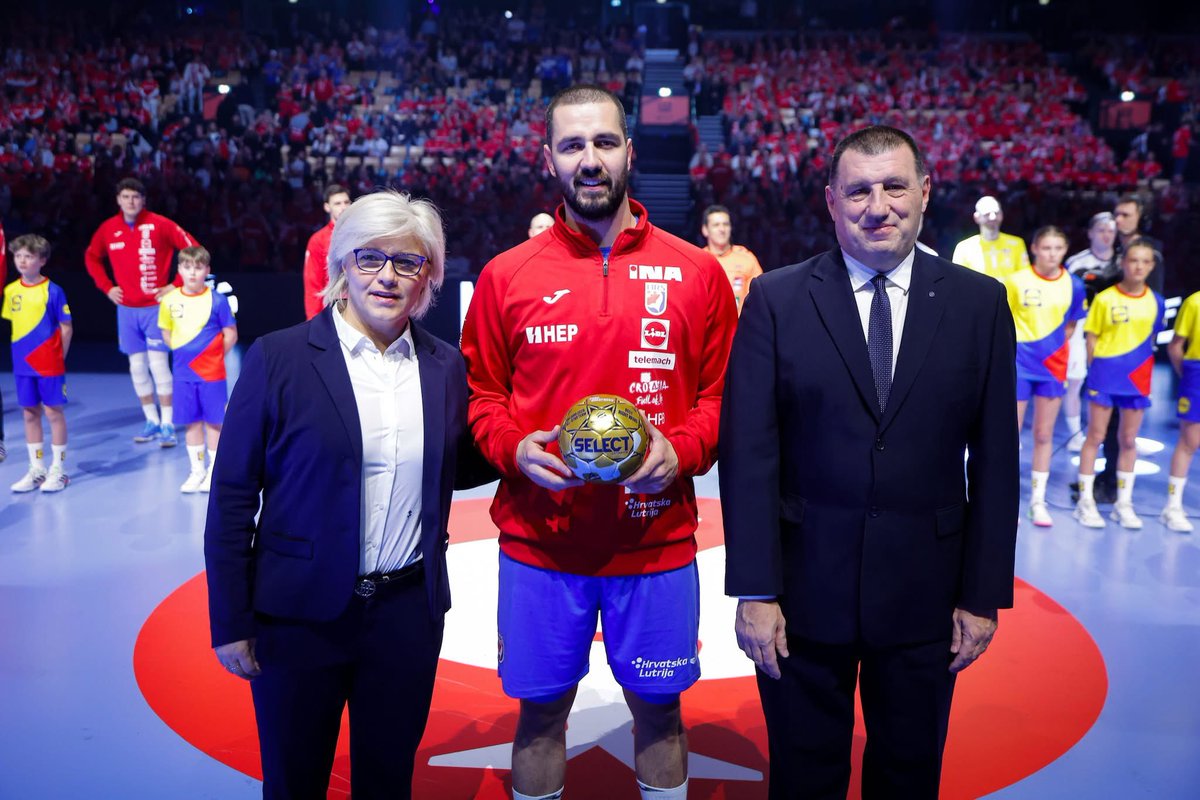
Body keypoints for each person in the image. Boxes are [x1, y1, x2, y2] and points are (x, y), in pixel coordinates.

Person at [721, 125, 1019, 799]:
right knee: (803, 777)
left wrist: (981, 594)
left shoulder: (979, 304)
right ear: (831, 201)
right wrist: (756, 590)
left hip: (927, 595)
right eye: (858, 190)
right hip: (802, 594)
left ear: (924, 193)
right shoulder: (777, 299)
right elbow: (749, 457)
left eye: (893, 186)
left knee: (910, 777)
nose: (876, 205)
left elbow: (997, 461)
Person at [460, 84, 737, 800]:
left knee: (661, 712)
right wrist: (514, 449)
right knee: (540, 716)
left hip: (656, 542)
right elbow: (481, 398)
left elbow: (719, 399)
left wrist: (683, 450)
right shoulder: (505, 276)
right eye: (574, 144)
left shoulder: (696, 273)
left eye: (605, 143)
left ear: (630, 152)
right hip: (540, 542)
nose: (591, 160)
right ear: (548, 158)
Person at [205, 191, 487, 798]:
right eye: (370, 258)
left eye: (408, 262)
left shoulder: (445, 366)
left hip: (406, 616)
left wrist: (526, 447)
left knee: (387, 781)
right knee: (294, 781)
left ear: (429, 277)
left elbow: (456, 465)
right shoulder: (278, 357)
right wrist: (230, 619)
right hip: (297, 617)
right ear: (342, 266)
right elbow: (231, 496)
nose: (387, 276)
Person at [85, 177, 200, 447]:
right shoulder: (108, 228)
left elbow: (193, 249)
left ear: (143, 200)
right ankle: (151, 421)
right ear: (118, 200)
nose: (131, 202)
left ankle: (168, 424)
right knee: (137, 367)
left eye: (135, 197)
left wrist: (175, 285)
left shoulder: (160, 224)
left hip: (156, 309)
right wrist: (106, 287)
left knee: (159, 366)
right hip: (126, 311)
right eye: (125, 197)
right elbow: (91, 257)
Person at [1073, 241, 1165, 529]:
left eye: (1145, 261)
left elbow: (1151, 338)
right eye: (1133, 260)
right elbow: (1092, 338)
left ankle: (1123, 504)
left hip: (1137, 379)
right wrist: (1095, 371)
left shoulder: (1157, 302)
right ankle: (1085, 501)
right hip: (1105, 376)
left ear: (1151, 266)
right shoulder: (1105, 299)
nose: (1138, 266)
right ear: (1123, 263)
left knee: (1128, 440)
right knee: (1095, 436)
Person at [1003, 227, 1087, 527]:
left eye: (1058, 248)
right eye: (1047, 247)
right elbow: (1003, 321)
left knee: (1043, 434)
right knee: (1009, 435)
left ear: (1064, 251)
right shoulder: (1015, 281)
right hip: (1018, 365)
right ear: (1035, 248)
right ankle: (1002, 496)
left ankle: (1037, 501)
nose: (1052, 254)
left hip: (1053, 367)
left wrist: (1051, 351)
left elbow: (1071, 326)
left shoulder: (1075, 286)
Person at [158, 246, 237, 493]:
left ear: (207, 271)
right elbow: (166, 332)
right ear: (180, 270)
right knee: (191, 423)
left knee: (214, 423)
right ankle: (197, 471)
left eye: (198, 267)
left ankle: (214, 471)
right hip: (182, 374)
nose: (193, 273)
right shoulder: (170, 300)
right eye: (187, 267)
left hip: (212, 374)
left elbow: (231, 335)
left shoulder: (218, 300)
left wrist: (211, 357)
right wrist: (184, 356)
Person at [3, 235, 72, 493]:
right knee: (29, 413)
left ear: (42, 260)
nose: (22, 260)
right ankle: (37, 469)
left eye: (29, 256)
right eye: (18, 256)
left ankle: (59, 470)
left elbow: (66, 327)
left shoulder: (53, 291)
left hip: (49, 365)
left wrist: (58, 358)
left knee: (53, 413)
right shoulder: (11, 291)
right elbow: (16, 328)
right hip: (22, 366)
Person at [1064, 212, 1119, 452]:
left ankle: (1108, 432)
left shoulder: (1123, 261)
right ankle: (1076, 433)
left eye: (1111, 231)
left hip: (1112, 330)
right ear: (1090, 233)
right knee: (1075, 381)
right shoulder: (1076, 263)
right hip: (1081, 327)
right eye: (1101, 230)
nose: (1106, 235)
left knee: (1108, 384)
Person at [1163, 289, 1200, 532]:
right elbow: (1176, 345)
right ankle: (1173, 507)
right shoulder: (1194, 302)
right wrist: (1185, 375)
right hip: (1196, 373)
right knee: (1190, 441)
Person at [701, 204, 763, 314]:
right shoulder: (698, 260)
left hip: (740, 328)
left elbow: (759, 298)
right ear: (705, 230)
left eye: (726, 224)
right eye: (716, 225)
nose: (722, 229)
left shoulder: (746, 258)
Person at [951, 195, 1030, 281]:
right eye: (987, 214)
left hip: (1010, 294)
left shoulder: (1016, 243)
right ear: (977, 217)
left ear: (1002, 215)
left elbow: (1025, 277)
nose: (993, 217)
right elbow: (958, 280)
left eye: (996, 213)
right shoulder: (964, 248)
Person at [302, 184, 352, 319]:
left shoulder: (360, 236)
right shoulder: (318, 240)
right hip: (331, 312)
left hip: (360, 311)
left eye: (346, 202)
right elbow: (312, 284)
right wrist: (313, 321)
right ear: (327, 207)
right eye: (337, 203)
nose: (343, 207)